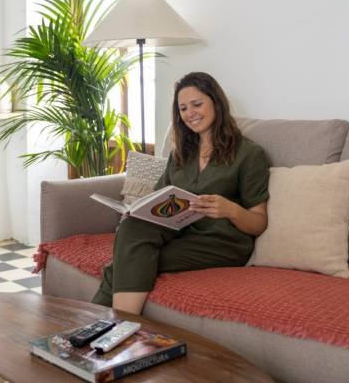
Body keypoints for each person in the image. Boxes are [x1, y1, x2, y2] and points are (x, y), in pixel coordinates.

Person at [92, 72, 271, 314]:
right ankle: (106, 331)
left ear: (216, 103)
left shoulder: (249, 154)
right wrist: (135, 212)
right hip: (179, 234)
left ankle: (110, 326)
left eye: (197, 104)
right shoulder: (180, 154)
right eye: (183, 108)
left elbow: (259, 223)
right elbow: (158, 199)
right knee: (132, 228)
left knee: (126, 263)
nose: (190, 113)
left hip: (222, 244)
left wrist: (230, 209)